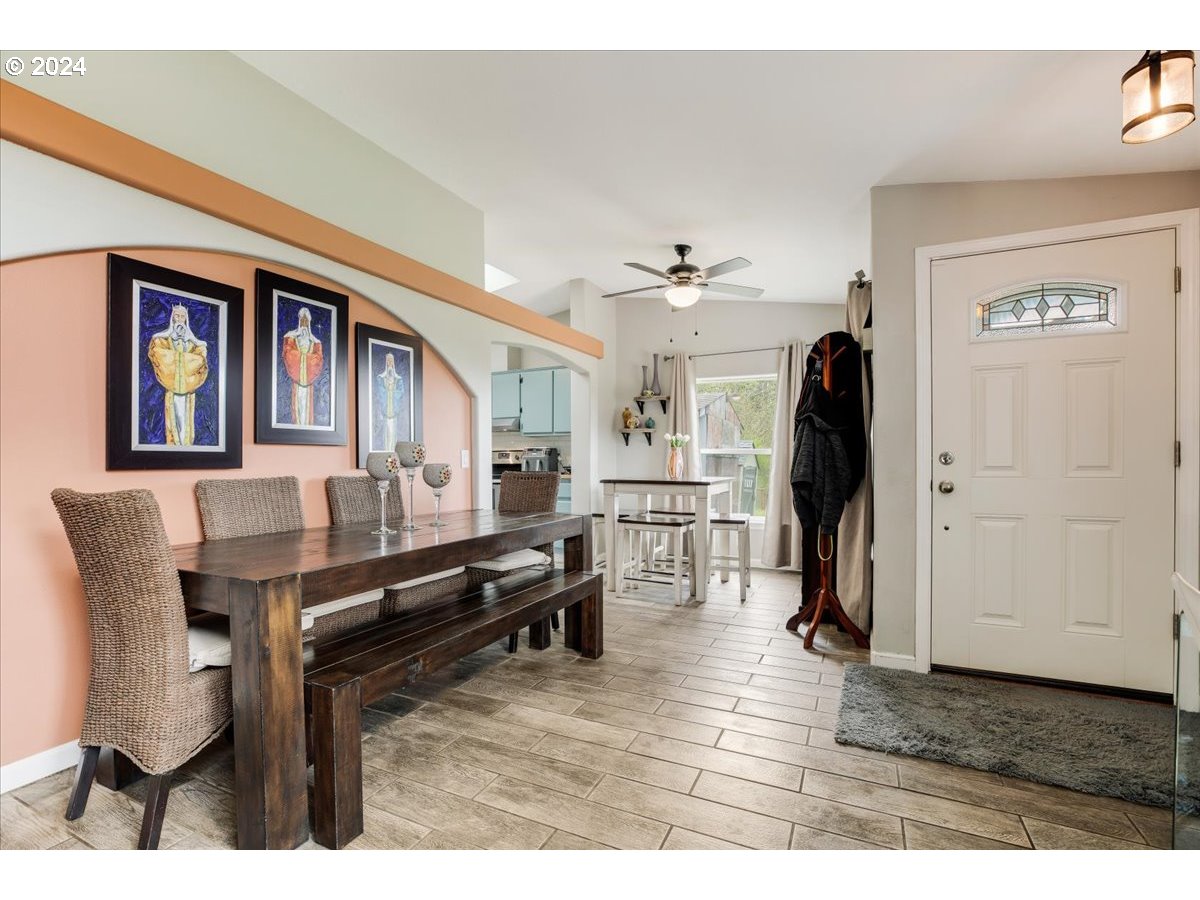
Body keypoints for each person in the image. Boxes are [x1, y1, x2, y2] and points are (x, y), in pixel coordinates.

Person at [147, 304, 209, 446]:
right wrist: (180, 358)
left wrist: (189, 348)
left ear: (186, 319)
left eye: (182, 316)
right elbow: (157, 353)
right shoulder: (163, 340)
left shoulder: (193, 343)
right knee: (173, 421)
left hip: (188, 389)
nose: (180, 319)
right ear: (172, 318)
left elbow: (201, 358)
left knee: (186, 422)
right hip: (172, 388)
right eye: (177, 316)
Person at [281, 307, 325, 426]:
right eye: (302, 320)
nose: (304, 323)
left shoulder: (315, 342)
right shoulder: (292, 337)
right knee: (297, 404)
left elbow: (318, 359)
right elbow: (288, 353)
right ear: (299, 320)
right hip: (297, 381)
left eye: (306, 320)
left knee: (307, 405)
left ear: (309, 321)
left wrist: (306, 359)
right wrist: (303, 357)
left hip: (308, 383)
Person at [378, 351, 405, 450]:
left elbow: (401, 392)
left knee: (393, 433)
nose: (390, 363)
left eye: (391, 361)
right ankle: (386, 451)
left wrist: (392, 391)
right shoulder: (381, 378)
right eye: (388, 361)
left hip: (394, 411)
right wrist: (388, 390)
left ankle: (393, 451)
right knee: (386, 433)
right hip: (385, 411)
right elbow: (380, 392)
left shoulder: (398, 379)